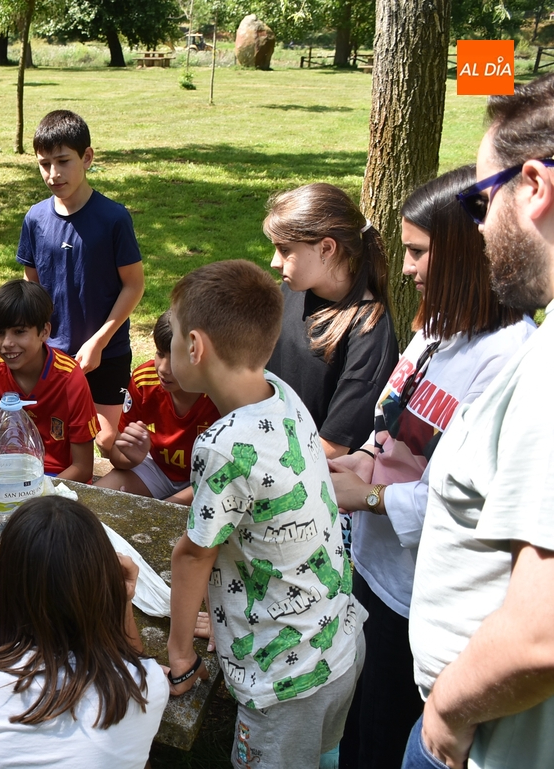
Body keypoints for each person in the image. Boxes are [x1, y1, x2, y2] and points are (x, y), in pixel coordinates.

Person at [325, 167, 532, 769]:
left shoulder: (510, 360)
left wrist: (368, 498)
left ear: (467, 254)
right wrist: (363, 461)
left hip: (419, 599)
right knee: (356, 729)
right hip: (372, 570)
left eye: (418, 252)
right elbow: (391, 426)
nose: (406, 267)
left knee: (382, 743)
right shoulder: (436, 329)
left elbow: (469, 499)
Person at [403, 73, 554, 769]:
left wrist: (446, 715)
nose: (481, 229)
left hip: (486, 741)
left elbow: (540, 633)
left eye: (481, 202)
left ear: (534, 186)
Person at [165, 260, 364, 769]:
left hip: (284, 682)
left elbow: (193, 555)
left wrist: (180, 653)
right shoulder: (280, 392)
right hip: (338, 641)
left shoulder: (223, 445)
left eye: (173, 338)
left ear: (195, 347)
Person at [0, 496, 169, 769]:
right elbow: (132, 665)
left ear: (4, 584)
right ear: (103, 584)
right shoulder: (148, 683)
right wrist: (123, 598)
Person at [17, 109, 145, 453]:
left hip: (108, 351)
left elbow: (134, 285)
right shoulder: (35, 218)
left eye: (63, 161)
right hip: (52, 353)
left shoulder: (114, 218)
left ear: (87, 157)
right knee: (52, 438)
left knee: (104, 439)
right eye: (44, 164)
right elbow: (32, 287)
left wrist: (99, 342)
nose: (53, 174)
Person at [264, 183, 398, 459]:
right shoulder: (292, 290)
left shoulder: (368, 330)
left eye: (285, 249)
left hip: (303, 472)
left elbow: (334, 447)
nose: (275, 262)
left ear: (326, 248)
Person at [0, 279, 98, 482]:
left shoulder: (71, 379)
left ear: (44, 331)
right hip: (2, 477)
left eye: (19, 332)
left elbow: (82, 467)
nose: (7, 343)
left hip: (57, 482)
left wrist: (39, 491)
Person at [98, 311, 220, 503]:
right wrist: (132, 457)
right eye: (160, 354)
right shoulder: (143, 381)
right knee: (97, 499)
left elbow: (229, 475)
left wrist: (169, 504)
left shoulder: (220, 393)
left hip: (211, 479)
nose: (163, 368)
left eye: (176, 358)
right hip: (156, 468)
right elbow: (117, 456)